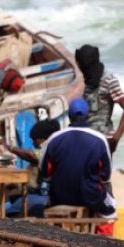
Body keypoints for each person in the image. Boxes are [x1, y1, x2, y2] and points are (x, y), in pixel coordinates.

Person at [39, 98, 116, 232]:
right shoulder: (99, 139)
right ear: (87, 116)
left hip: (59, 197)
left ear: (69, 116)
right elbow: (105, 176)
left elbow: (45, 173)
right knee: (110, 210)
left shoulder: (54, 139)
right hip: (90, 197)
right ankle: (104, 246)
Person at [75, 44, 124, 153]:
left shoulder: (108, 80)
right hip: (87, 138)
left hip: (104, 139)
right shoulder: (87, 80)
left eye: (80, 64)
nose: (79, 67)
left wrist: (116, 138)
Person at [4, 118, 61, 217]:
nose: (33, 143)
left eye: (35, 139)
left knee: (12, 211)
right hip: (39, 193)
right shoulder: (51, 146)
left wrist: (10, 148)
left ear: (43, 138)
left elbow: (32, 155)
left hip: (45, 195)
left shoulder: (48, 147)